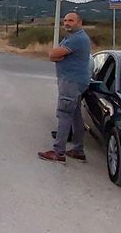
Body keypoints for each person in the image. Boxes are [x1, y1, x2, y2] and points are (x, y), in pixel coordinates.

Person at [38, 12, 92, 164]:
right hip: (74, 81)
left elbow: (53, 54)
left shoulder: (77, 38)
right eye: (65, 20)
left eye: (71, 20)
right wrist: (56, 55)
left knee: (64, 114)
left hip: (71, 82)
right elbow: (55, 54)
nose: (67, 23)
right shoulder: (72, 37)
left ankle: (58, 152)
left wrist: (55, 55)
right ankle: (78, 149)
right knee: (75, 115)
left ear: (79, 22)